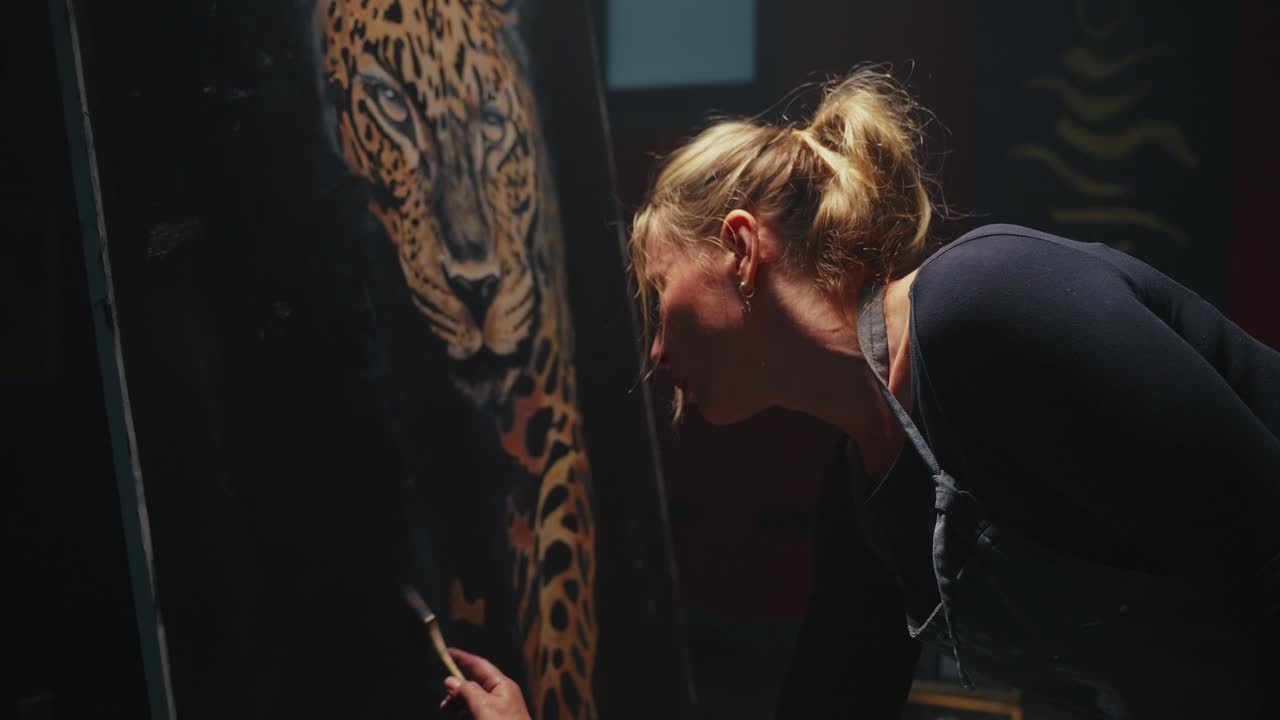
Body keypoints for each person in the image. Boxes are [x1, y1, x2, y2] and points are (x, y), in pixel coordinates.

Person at [441, 68, 1280, 719]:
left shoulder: (986, 303)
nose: (656, 350)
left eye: (658, 296)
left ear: (741, 248)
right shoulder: (865, 505)